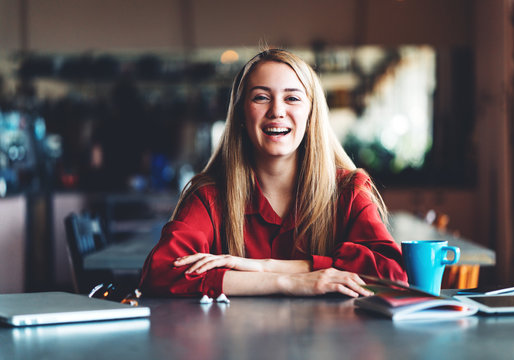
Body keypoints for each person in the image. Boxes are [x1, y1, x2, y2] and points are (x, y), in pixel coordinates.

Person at [139, 49, 407, 299]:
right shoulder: (209, 196)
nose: (277, 111)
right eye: (261, 97)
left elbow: (392, 274)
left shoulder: (349, 190)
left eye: (292, 98)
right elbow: (159, 273)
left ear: (311, 114)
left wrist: (265, 266)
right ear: (242, 114)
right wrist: (287, 282)